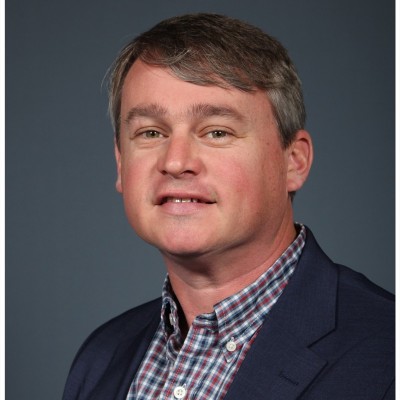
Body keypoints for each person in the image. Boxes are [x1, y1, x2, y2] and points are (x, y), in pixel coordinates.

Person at [63, 13, 394, 400]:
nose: (176, 161)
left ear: (294, 162)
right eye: (151, 132)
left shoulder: (387, 350)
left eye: (216, 132)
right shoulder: (101, 357)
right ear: (121, 165)